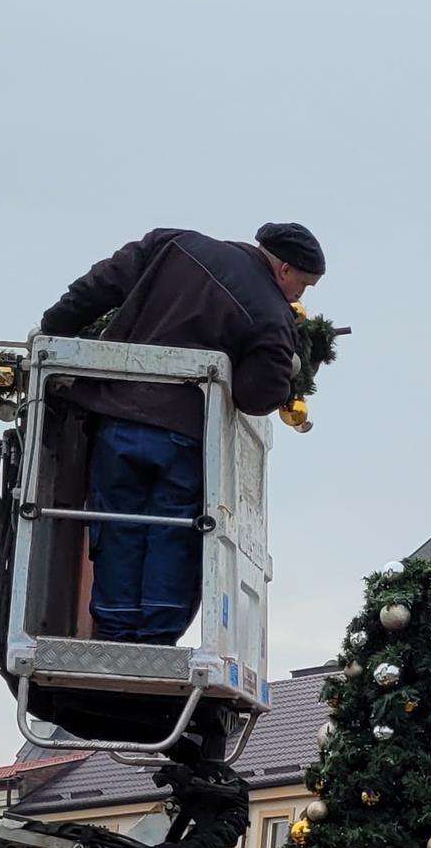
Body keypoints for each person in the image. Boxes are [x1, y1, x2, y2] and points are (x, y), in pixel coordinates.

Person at [36, 222, 323, 645]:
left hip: (117, 421)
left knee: (118, 524)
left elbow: (101, 284)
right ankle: (154, 638)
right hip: (183, 438)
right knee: (173, 531)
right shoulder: (272, 314)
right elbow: (256, 396)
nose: (301, 296)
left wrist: (54, 328)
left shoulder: (174, 244)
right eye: (304, 284)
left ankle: (114, 630)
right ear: (284, 268)